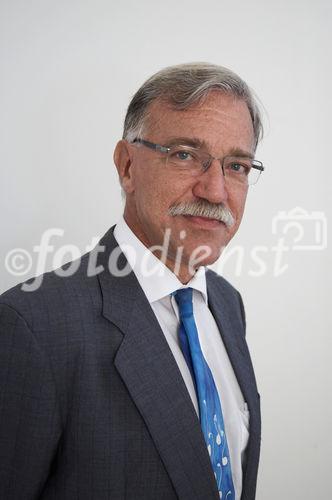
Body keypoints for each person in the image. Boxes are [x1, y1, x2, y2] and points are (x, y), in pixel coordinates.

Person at [0, 62, 263, 500]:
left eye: (236, 165)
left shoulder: (227, 304)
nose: (216, 191)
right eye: (185, 154)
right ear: (126, 166)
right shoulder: (31, 326)